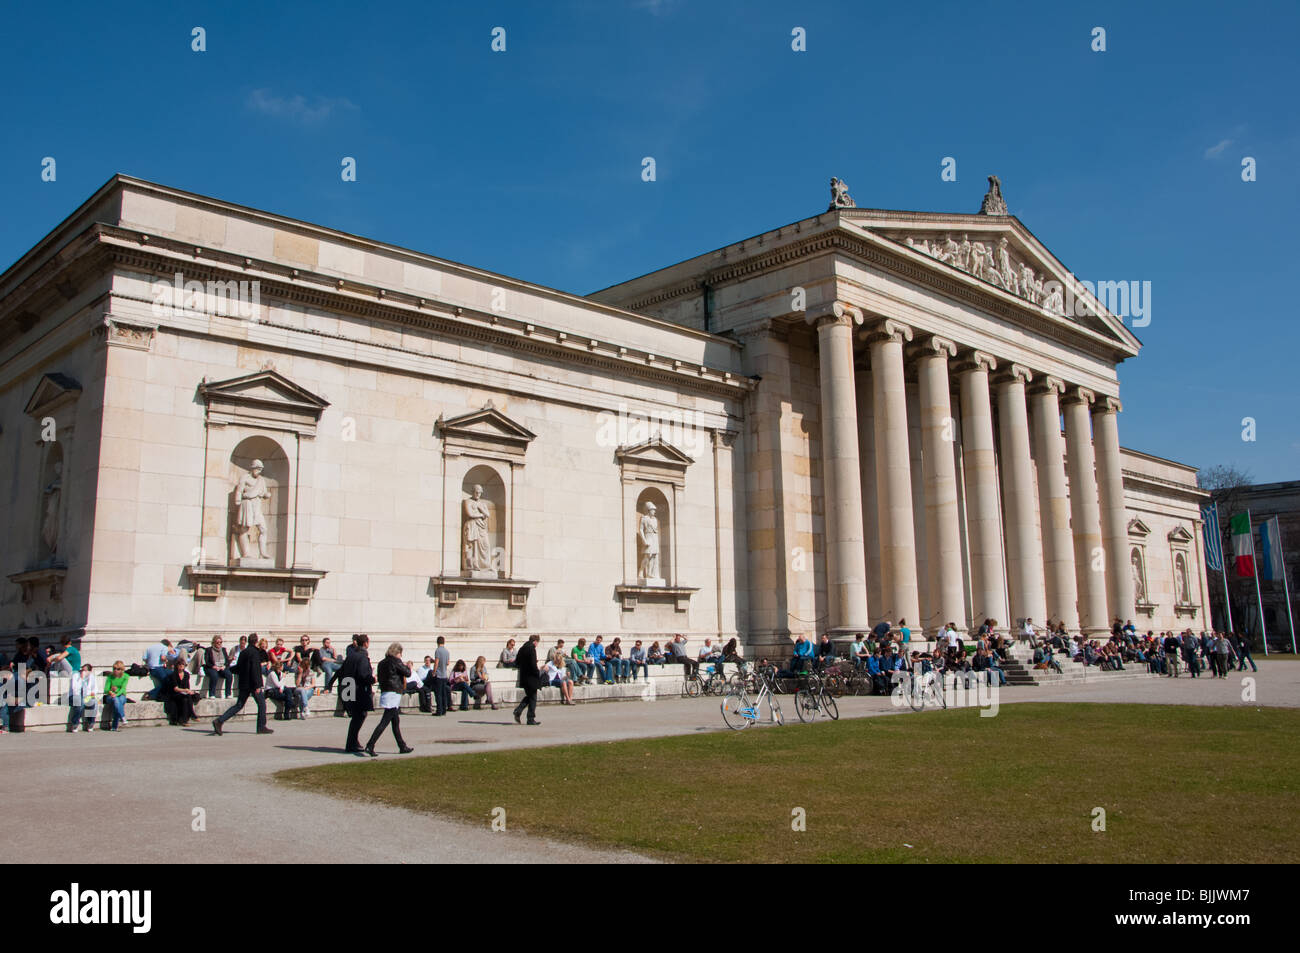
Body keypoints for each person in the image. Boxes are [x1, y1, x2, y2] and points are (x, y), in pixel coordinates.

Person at [212, 633, 272, 736]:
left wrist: (228, 669)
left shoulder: (244, 652)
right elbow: (255, 669)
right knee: (262, 703)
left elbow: (239, 667)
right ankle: (261, 726)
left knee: (239, 705)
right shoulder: (255, 653)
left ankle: (220, 721)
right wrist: (258, 685)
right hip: (253, 684)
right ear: (256, 642)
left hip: (244, 683)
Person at [365, 643, 414, 757]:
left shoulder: (382, 663)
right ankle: (370, 744)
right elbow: (407, 673)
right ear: (397, 653)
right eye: (400, 654)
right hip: (393, 692)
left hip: (386, 691)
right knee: (385, 721)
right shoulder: (395, 661)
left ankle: (402, 746)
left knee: (395, 721)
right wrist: (408, 667)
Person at [339, 634, 375, 754]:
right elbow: (363, 675)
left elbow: (341, 671)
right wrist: (373, 679)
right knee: (359, 716)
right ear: (365, 643)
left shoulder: (351, 655)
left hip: (349, 687)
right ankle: (351, 743)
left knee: (356, 716)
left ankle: (353, 742)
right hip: (358, 690)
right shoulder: (362, 657)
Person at [512, 634, 542, 726]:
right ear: (535, 641)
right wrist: (538, 673)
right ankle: (530, 718)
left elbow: (517, 662)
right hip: (531, 677)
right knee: (533, 698)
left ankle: (518, 711)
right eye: (537, 643)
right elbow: (533, 664)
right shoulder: (531, 649)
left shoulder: (522, 648)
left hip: (523, 676)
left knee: (529, 696)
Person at [162, 659, 200, 726]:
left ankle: (184, 720)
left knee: (186, 699)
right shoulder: (173, 675)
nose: (181, 666)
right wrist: (185, 690)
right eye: (180, 665)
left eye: (183, 665)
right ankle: (192, 715)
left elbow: (187, 686)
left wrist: (189, 691)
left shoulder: (186, 674)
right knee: (186, 697)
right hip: (174, 694)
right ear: (177, 666)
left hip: (183, 693)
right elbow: (175, 688)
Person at [67, 663, 98, 732]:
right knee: (80, 703)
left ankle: (91, 722)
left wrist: (92, 693)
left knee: (93, 702)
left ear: (89, 672)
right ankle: (75, 723)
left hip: (86, 696)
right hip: (75, 696)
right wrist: (81, 679)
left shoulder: (92, 677)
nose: (83, 672)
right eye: (82, 670)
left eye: (85, 671)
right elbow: (75, 690)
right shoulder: (76, 676)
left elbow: (95, 689)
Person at [103, 661, 130, 730]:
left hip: (121, 695)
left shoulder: (126, 676)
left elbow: (123, 689)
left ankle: (114, 726)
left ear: (122, 670)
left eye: (118, 669)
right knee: (116, 700)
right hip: (110, 696)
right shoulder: (110, 677)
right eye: (114, 668)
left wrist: (116, 692)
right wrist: (111, 692)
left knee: (118, 701)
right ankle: (123, 717)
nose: (115, 670)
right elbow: (106, 689)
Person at [433, 636, 452, 716]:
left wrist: (434, 671)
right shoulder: (447, 651)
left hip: (439, 675)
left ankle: (439, 710)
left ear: (437, 642)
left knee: (438, 694)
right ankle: (444, 710)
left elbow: (436, 662)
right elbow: (448, 663)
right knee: (444, 693)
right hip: (444, 674)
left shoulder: (437, 651)